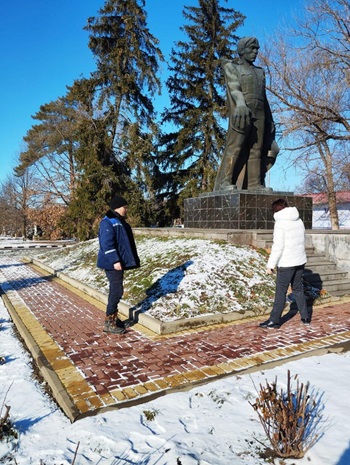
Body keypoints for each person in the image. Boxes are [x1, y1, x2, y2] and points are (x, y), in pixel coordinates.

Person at [214, 36, 279, 191]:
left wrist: (270, 121)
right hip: (242, 112)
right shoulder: (232, 66)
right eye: (252, 48)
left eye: (257, 49)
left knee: (257, 148)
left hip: (260, 114)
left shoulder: (260, 72)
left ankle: (254, 184)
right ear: (242, 50)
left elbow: (264, 98)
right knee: (235, 146)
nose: (255, 52)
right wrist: (241, 104)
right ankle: (225, 182)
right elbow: (234, 87)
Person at [259, 198, 310, 329]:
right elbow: (303, 239)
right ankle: (305, 317)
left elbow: (278, 246)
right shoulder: (298, 220)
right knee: (298, 289)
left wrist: (270, 265)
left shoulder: (280, 223)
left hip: (287, 262)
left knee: (280, 292)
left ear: (275, 211)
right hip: (299, 261)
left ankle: (274, 321)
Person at [97, 194, 140, 334]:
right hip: (112, 264)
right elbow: (107, 243)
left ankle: (113, 318)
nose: (126, 210)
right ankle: (109, 322)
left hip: (117, 262)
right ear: (118, 207)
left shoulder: (118, 221)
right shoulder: (108, 222)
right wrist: (115, 260)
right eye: (124, 207)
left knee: (117, 290)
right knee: (116, 291)